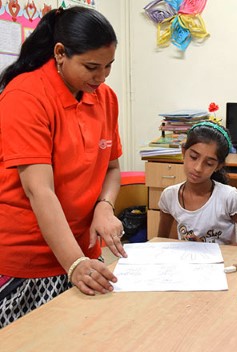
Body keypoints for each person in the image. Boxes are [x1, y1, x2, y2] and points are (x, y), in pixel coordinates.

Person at [0, 7, 127, 328]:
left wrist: (105, 206)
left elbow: (112, 168)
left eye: (109, 66)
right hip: (30, 259)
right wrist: (75, 264)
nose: (101, 77)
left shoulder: (104, 98)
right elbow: (38, 190)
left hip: (83, 253)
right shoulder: (25, 95)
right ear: (60, 53)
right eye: (91, 67)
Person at [158, 121, 237, 245]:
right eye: (193, 157)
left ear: (218, 166)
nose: (197, 168)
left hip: (223, 262)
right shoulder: (169, 196)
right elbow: (161, 242)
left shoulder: (229, 197)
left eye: (209, 164)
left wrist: (205, 248)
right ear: (183, 152)